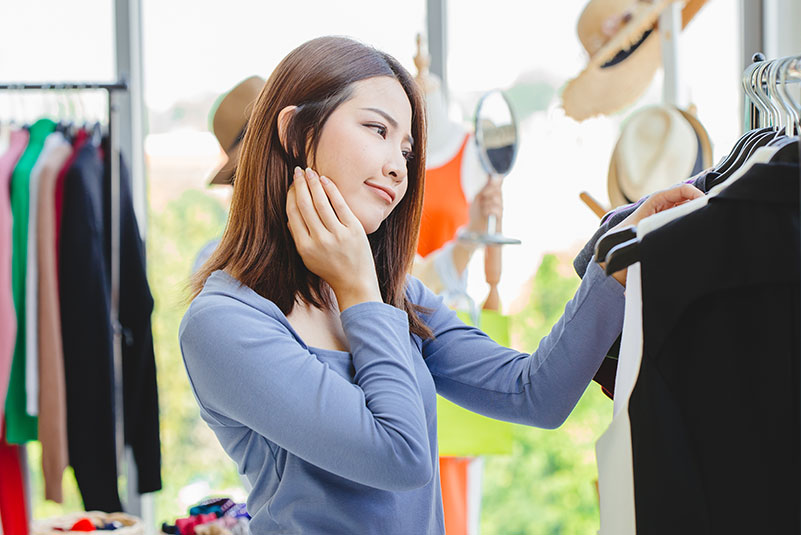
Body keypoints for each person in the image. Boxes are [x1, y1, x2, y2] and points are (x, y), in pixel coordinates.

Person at [179, 36, 702, 534]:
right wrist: (360, 290)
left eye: (407, 151)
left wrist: (616, 254)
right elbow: (400, 456)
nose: (397, 168)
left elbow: (535, 395)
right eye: (377, 130)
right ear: (294, 133)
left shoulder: (395, 292)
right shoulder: (224, 324)